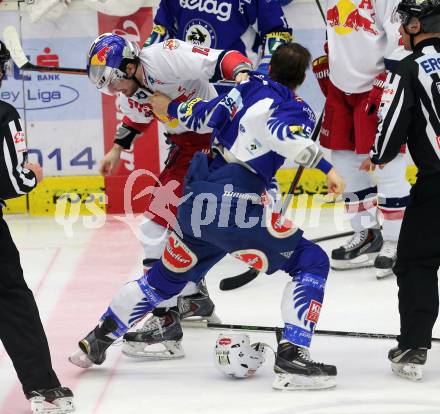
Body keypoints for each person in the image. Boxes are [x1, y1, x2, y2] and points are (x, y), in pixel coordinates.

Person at [70, 43, 346, 390]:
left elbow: (201, 114)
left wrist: (170, 106)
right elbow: (283, 137)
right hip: (236, 205)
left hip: (197, 199)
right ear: (302, 78)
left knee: (159, 281)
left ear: (268, 65)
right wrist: (326, 167)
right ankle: (293, 355)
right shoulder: (295, 107)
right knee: (312, 261)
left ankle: (97, 340)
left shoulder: (241, 90)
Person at [87, 33, 252, 359]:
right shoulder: (129, 87)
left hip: (210, 144)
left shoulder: (165, 56)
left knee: (154, 229)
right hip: (187, 148)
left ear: (130, 66)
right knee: (184, 227)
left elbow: (221, 58)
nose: (114, 91)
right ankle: (192, 296)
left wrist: (243, 75)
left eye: (115, 82)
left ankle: (164, 321)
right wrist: (118, 148)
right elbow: (136, 116)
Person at [0, 41, 74, 414]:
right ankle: (43, 387)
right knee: (11, 301)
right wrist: (33, 176)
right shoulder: (3, 113)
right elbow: (12, 182)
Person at [313, 0, 411, 278]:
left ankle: (395, 240)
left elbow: (397, 37)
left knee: (388, 167)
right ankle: (367, 234)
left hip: (377, 85)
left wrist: (392, 81)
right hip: (340, 88)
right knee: (347, 168)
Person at [369, 0, 440, 381]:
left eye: (405, 24)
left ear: (419, 25)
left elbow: (390, 129)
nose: (399, 31)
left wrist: (377, 153)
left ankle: (414, 345)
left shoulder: (410, 68)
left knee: (416, 262)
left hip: (437, 185)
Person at [143, 0, 293, 74]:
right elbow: (163, 29)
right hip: (186, 87)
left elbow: (276, 32)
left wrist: (266, 70)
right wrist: (143, 62)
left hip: (237, 88)